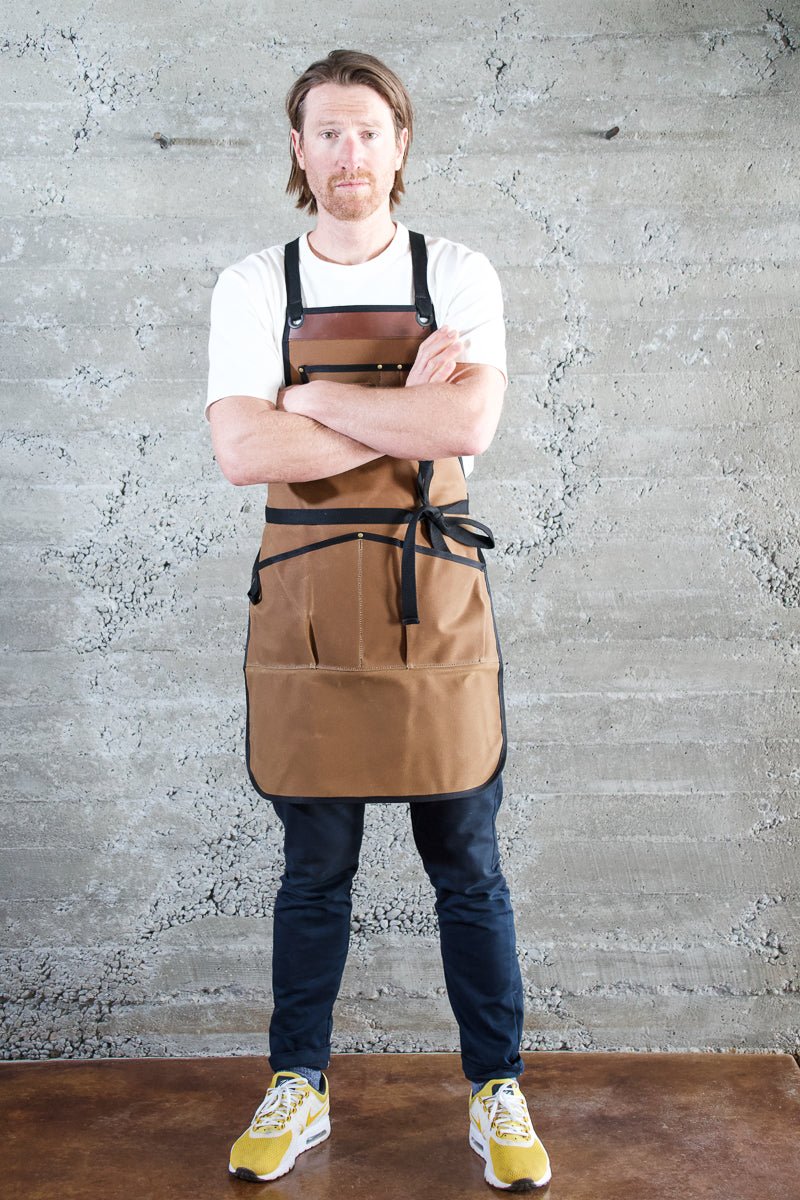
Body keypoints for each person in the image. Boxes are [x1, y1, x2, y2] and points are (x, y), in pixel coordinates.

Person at [205, 49, 552, 1192]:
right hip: (305, 606)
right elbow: (243, 448)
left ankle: (494, 1089)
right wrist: (405, 407)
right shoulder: (253, 283)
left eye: (368, 132)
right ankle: (296, 1085)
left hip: (431, 601)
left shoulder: (454, 269)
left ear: (399, 144)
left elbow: (470, 431)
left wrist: (316, 400)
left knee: (468, 862)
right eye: (326, 133)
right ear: (297, 150)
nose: (349, 154)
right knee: (314, 868)